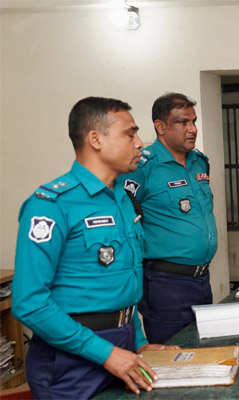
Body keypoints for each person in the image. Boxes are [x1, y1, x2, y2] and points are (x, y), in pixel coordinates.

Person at [12, 97, 175, 399]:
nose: (140, 143)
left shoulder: (123, 199)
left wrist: (137, 342)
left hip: (123, 348)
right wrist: (106, 354)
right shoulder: (52, 205)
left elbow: (123, 285)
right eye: (130, 133)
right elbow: (29, 302)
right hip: (71, 362)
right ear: (96, 139)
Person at [119, 93, 217, 343]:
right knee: (172, 356)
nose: (192, 129)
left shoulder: (199, 162)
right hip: (166, 283)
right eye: (183, 122)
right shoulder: (142, 167)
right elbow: (124, 220)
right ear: (160, 126)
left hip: (202, 280)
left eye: (193, 122)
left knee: (204, 351)